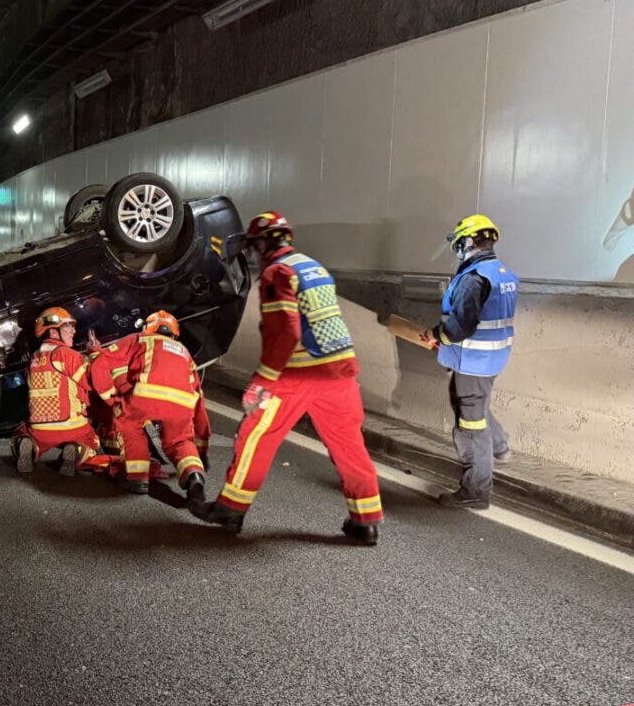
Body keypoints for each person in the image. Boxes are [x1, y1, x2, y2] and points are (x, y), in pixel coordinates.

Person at [189, 211, 384, 545]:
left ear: (264, 242)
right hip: (340, 372)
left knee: (255, 435)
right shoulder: (314, 266)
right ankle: (365, 521)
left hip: (298, 373)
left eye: (253, 246)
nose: (253, 254)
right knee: (350, 446)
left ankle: (230, 510)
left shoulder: (277, 273)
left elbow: (287, 332)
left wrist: (261, 381)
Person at [421, 214, 518, 509]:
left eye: (459, 243)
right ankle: (499, 448)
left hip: (473, 360)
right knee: (475, 404)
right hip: (491, 359)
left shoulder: (473, 279)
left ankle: (476, 491)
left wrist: (438, 336)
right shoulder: (501, 273)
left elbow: (461, 326)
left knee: (471, 424)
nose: (458, 250)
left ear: (469, 240)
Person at [93, 311, 207, 499]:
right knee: (180, 441)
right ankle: (194, 474)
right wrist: (202, 437)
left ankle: (138, 479)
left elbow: (101, 362)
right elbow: (198, 393)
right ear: (174, 333)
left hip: (147, 395)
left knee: (131, 427)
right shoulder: (185, 353)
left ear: (148, 327)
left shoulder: (140, 339)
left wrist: (109, 397)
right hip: (182, 403)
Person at [13, 307, 110, 476]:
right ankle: (75, 449)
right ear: (53, 332)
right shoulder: (68, 355)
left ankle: (30, 445)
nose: (73, 330)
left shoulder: (34, 358)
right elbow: (92, 381)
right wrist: (95, 354)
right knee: (90, 443)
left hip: (40, 429)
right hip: (72, 426)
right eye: (67, 327)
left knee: (22, 432)